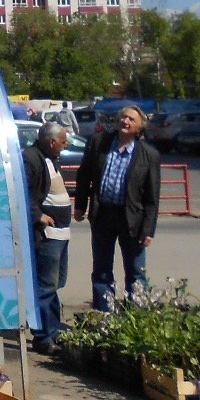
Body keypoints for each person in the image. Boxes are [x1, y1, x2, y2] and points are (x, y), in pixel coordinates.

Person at [74, 105, 160, 311]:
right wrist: (80, 206)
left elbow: (152, 196)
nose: (125, 122)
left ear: (140, 127)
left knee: (136, 272)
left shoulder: (148, 154)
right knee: (102, 269)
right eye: (123, 117)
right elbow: (84, 175)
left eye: (131, 119)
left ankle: (137, 318)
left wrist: (148, 229)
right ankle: (104, 316)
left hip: (132, 219)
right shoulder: (99, 143)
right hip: (103, 214)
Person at [23, 122, 72, 353]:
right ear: (51, 142)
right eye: (63, 141)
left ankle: (52, 331)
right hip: (47, 235)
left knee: (55, 285)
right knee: (45, 286)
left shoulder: (52, 158)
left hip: (61, 234)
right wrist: (39, 216)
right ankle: (43, 337)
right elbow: (23, 192)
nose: (66, 145)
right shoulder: (31, 158)